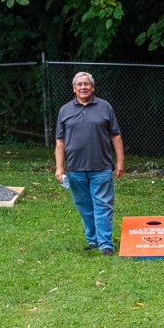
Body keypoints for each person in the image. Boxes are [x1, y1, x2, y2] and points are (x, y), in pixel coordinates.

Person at [54, 71, 125, 255]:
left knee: (103, 205)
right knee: (84, 206)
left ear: (92, 87)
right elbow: (60, 141)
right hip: (75, 169)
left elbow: (116, 136)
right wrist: (60, 168)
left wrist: (120, 162)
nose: (83, 87)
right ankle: (92, 240)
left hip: (101, 167)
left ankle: (106, 244)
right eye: (80, 84)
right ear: (74, 88)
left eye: (87, 84)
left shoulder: (105, 107)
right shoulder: (65, 110)